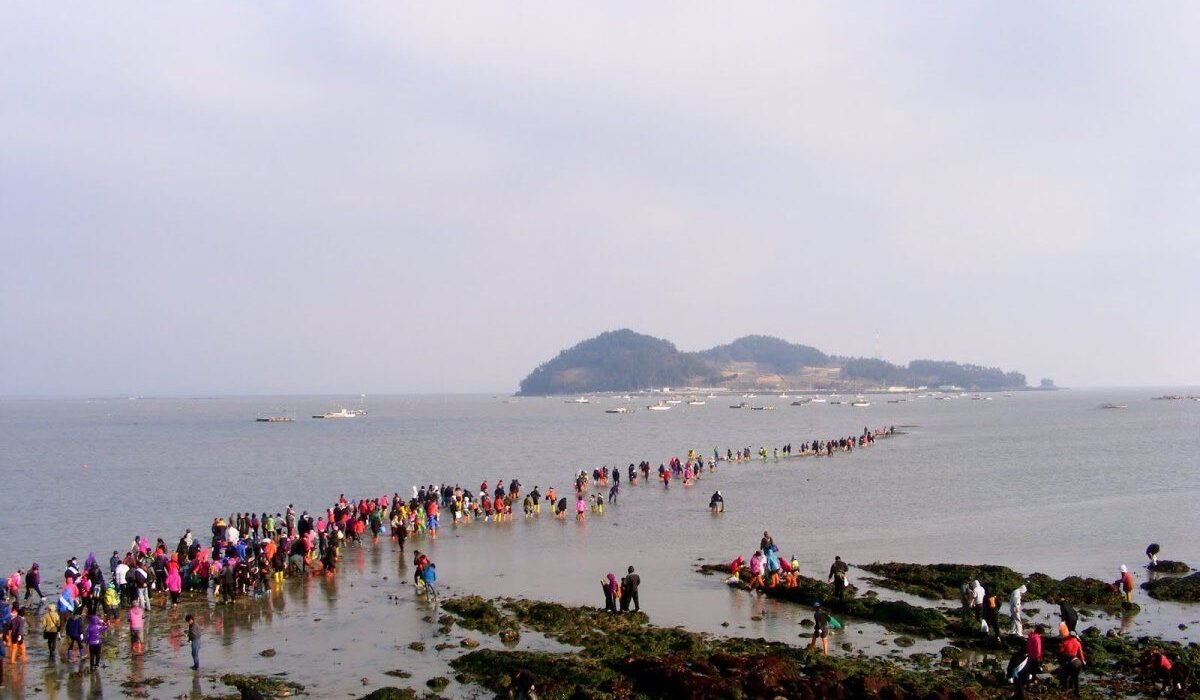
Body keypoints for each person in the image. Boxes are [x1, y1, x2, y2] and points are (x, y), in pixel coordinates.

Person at [1059, 630, 1086, 696]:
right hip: (1077, 662)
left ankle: (1065, 689)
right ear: (1075, 636)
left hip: (1070, 662)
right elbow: (1081, 655)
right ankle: (1077, 692)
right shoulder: (1078, 643)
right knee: (1075, 677)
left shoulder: (1065, 643)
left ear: (1069, 636)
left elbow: (1060, 652)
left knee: (1065, 675)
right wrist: (1084, 663)